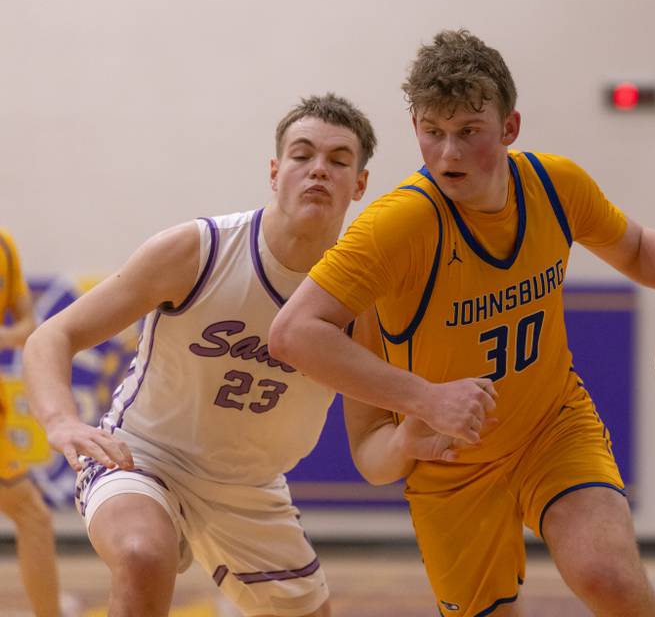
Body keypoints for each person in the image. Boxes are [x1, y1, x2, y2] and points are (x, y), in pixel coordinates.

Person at [268, 31, 655, 617]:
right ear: (414, 125)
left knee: (609, 578)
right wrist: (426, 401)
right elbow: (292, 333)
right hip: (453, 465)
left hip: (551, 427)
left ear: (509, 127)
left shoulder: (554, 185)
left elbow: (637, 247)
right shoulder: (397, 227)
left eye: (469, 132)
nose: (448, 153)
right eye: (433, 132)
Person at [22, 94, 476, 617]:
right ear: (275, 171)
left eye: (338, 160)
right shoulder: (198, 250)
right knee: (143, 554)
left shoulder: (366, 301)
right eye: (302, 155)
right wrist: (60, 421)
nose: (318, 170)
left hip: (251, 489)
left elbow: (372, 458)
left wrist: (408, 439)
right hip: (145, 456)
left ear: (360, 184)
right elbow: (51, 337)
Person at [0, 228, 61, 617]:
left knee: (33, 515)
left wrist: (5, 336)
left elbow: (28, 326)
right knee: (32, 514)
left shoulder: (5, 247)